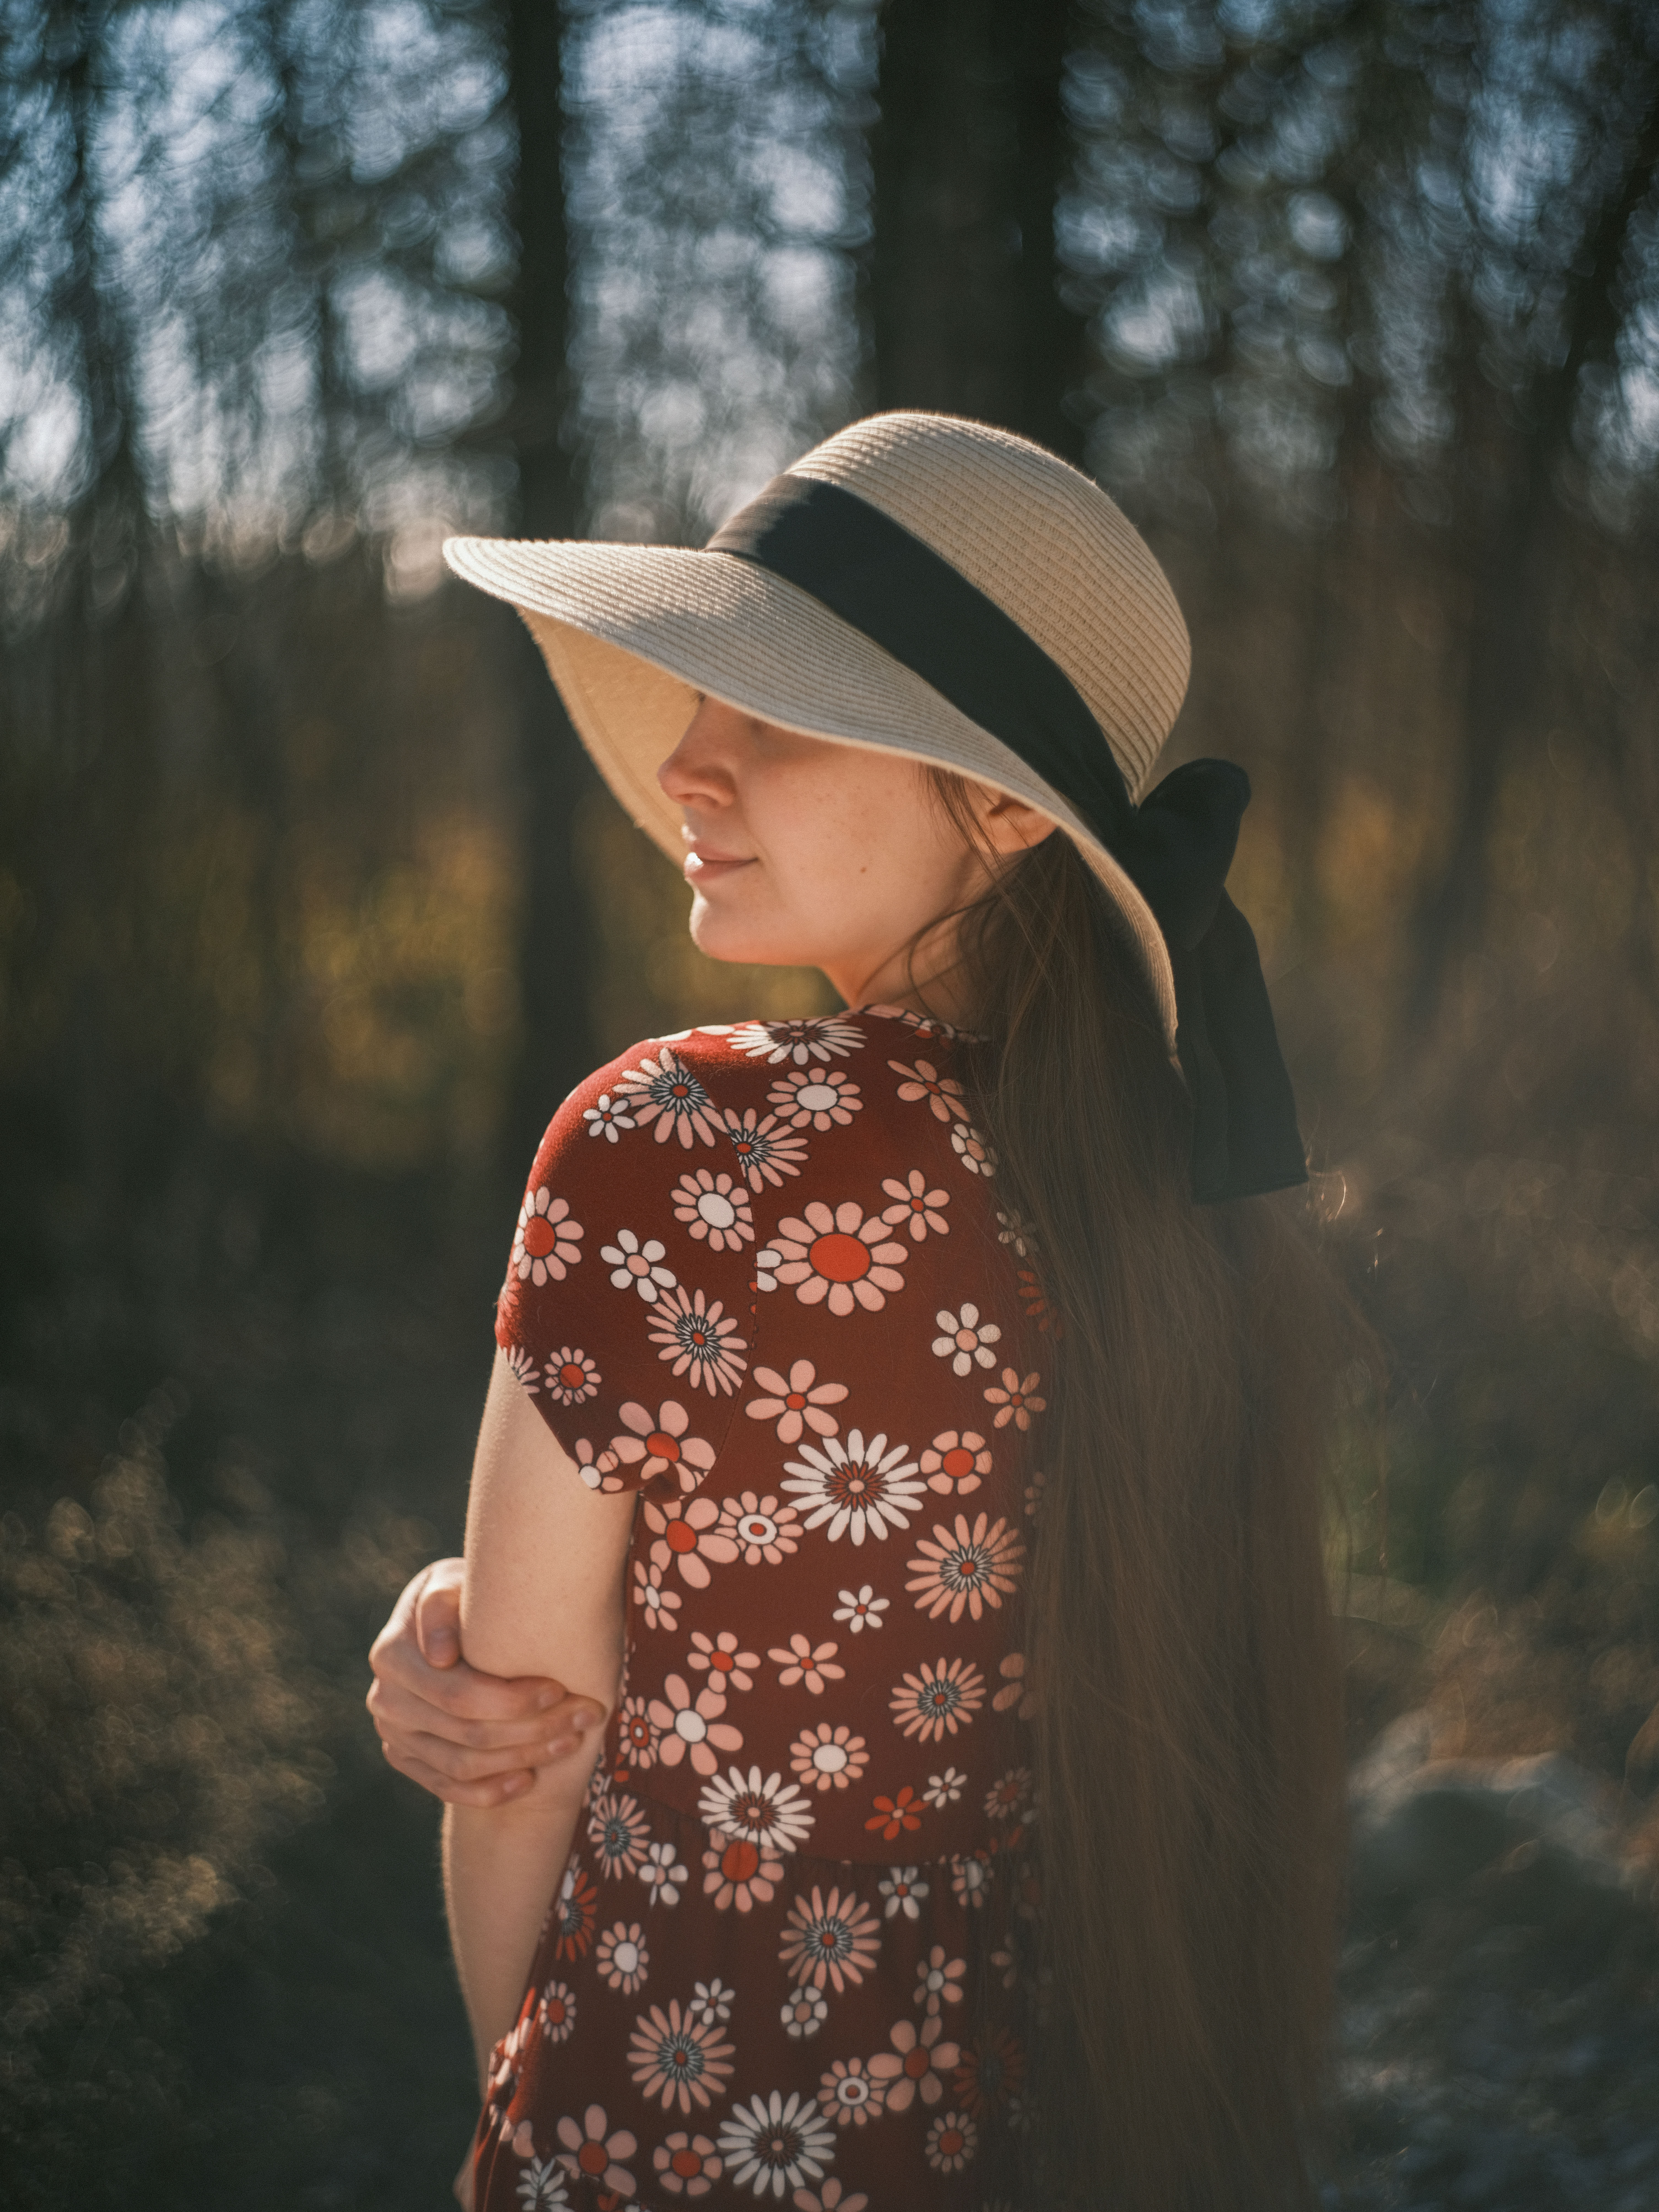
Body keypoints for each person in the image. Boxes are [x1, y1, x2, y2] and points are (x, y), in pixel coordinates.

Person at [366, 411, 1358, 2210]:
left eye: (780, 712)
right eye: (698, 695)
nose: (688, 760)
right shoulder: (1179, 1196)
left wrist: (530, 2117)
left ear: (996, 804)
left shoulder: (672, 1145)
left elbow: (518, 1754)